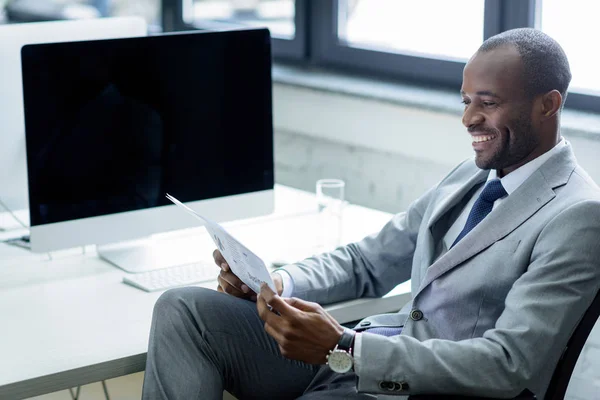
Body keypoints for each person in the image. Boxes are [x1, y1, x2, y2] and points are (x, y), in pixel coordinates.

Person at [141, 28, 600, 399]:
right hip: (353, 360)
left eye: (488, 103)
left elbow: (508, 364)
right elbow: (368, 261)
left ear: (549, 104)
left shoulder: (578, 216)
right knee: (185, 309)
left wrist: (347, 347)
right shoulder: (474, 173)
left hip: (410, 385)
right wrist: (275, 284)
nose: (468, 120)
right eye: (466, 101)